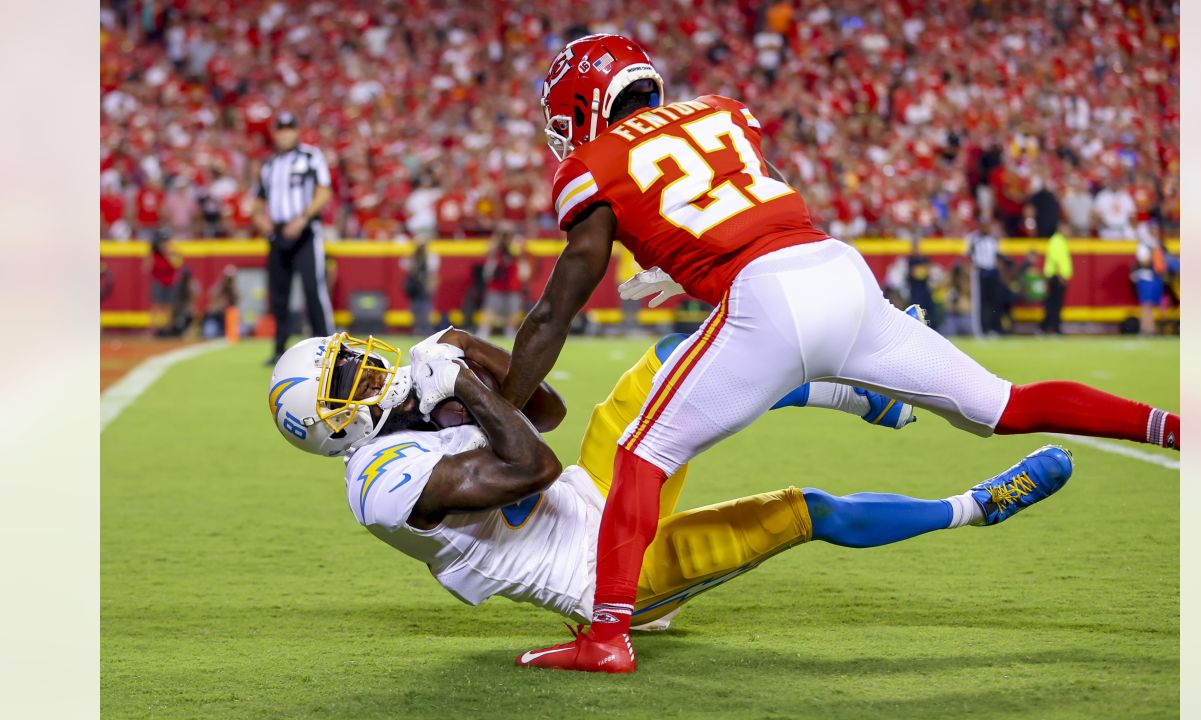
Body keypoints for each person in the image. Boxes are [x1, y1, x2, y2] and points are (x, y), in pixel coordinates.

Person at [499, 34, 1180, 673]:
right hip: (837, 271)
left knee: (641, 456)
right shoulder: (720, 112)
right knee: (1001, 404)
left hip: (766, 298)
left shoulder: (592, 164)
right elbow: (750, 198)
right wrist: (682, 261)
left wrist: (506, 409)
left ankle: (609, 636)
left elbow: (558, 307)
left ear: (587, 108)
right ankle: (1178, 429)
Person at [266, 330, 1066, 643]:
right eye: (345, 376)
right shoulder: (378, 480)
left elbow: (545, 407)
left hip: (594, 489)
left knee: (674, 366)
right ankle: (972, 510)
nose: (366, 364)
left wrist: (464, 354)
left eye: (349, 352)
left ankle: (861, 394)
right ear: (330, 425)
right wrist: (467, 392)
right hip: (612, 576)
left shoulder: (414, 398)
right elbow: (528, 466)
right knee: (800, 511)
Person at [254, 111, 335, 365]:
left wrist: (303, 218)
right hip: (278, 232)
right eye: (281, 129)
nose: (285, 134)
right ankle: (280, 349)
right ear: (275, 133)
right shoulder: (269, 165)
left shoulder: (311, 156)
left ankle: (328, 348)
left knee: (313, 289)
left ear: (297, 131)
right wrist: (264, 224)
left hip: (305, 230)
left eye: (290, 128)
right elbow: (257, 203)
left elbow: (324, 191)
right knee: (279, 294)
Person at [965, 220, 1003, 335]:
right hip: (980, 272)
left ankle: (992, 327)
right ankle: (981, 329)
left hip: (992, 272)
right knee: (980, 302)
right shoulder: (974, 239)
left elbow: (997, 256)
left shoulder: (993, 240)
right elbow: (968, 255)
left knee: (993, 301)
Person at [403, 239, 440, 336]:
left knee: (425, 308)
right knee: (416, 308)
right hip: (415, 286)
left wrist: (431, 285)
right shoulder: (413, 256)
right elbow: (405, 266)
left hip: (425, 284)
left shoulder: (430, 256)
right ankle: (418, 328)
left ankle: (426, 328)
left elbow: (432, 272)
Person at [1042, 231, 1073, 334]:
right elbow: (1056, 259)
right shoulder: (1057, 241)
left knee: (1054, 303)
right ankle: (1053, 328)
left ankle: (1048, 327)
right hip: (1056, 277)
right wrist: (1060, 275)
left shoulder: (1060, 241)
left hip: (1057, 276)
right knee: (1055, 304)